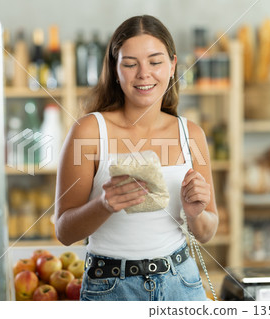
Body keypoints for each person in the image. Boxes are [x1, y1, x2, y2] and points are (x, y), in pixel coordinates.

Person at [55, 15, 218, 301]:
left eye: (155, 62)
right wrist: (105, 205)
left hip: (181, 284)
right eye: (130, 64)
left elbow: (207, 231)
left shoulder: (191, 134)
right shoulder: (90, 130)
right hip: (111, 288)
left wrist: (195, 214)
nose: (144, 73)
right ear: (115, 70)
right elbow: (64, 231)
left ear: (172, 66)